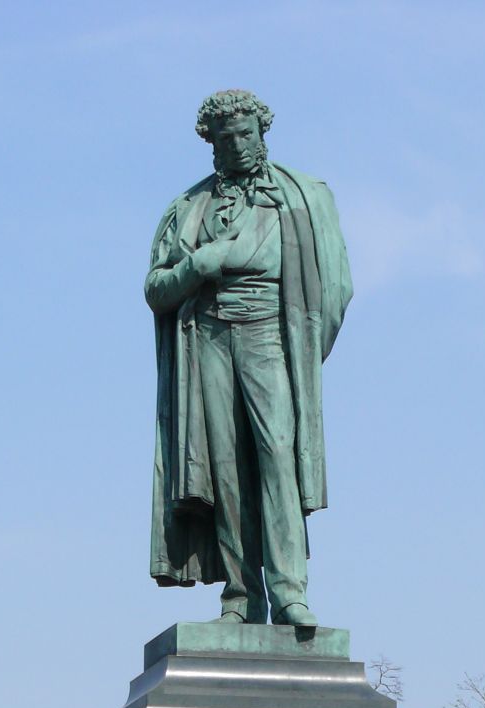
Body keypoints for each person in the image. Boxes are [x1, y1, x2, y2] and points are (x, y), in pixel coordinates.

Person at [145, 89, 352, 631]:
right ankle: (240, 597)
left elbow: (336, 287)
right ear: (210, 144)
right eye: (225, 137)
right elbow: (156, 288)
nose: (236, 145)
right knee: (226, 468)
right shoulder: (188, 209)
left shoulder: (302, 197)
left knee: (277, 454)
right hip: (209, 336)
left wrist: (303, 350)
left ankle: (289, 592)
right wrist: (198, 268)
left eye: (245, 133)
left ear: (262, 133)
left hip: (270, 336)